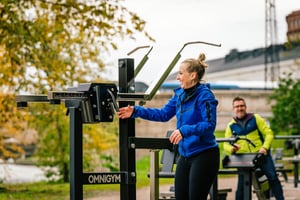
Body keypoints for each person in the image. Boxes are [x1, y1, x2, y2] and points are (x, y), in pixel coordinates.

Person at [118, 53, 219, 200]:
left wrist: (184, 131)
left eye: (180, 73)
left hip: (204, 154)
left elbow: (210, 125)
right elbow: (163, 114)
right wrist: (136, 111)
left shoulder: (205, 96)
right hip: (185, 155)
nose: (178, 77)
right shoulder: (179, 95)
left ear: (193, 75)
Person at [223, 96, 284, 200]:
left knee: (273, 178)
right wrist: (231, 149)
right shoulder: (230, 125)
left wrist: (264, 148)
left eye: (242, 106)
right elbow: (225, 145)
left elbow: (269, 134)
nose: (240, 108)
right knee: (242, 186)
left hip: (260, 155)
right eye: (237, 106)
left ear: (245, 107)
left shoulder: (255, 118)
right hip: (243, 159)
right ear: (233, 109)